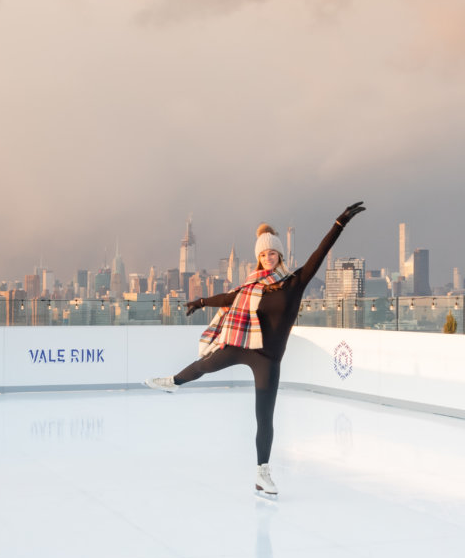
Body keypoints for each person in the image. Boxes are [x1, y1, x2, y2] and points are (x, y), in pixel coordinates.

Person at [145, 202, 365, 495]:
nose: (268, 257)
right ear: (258, 258)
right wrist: (200, 302)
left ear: (279, 255)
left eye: (272, 252)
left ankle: (262, 473)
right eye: (263, 254)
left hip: (268, 358)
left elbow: (318, 255)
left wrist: (340, 223)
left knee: (264, 417)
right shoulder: (252, 286)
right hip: (243, 344)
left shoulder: (294, 283)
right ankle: (173, 382)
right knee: (205, 364)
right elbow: (229, 298)